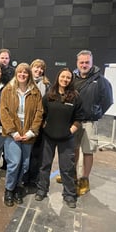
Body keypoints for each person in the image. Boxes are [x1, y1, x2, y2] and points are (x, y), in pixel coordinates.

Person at [35, 68, 83, 208]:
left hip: (67, 139)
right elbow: (42, 114)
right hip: (48, 137)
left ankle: (69, 194)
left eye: (68, 77)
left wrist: (70, 131)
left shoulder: (75, 97)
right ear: (58, 78)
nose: (65, 79)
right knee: (44, 166)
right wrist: (45, 127)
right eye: (63, 77)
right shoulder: (49, 95)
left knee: (67, 168)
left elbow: (79, 119)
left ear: (71, 80)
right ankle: (42, 189)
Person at [0, 63, 43, 207]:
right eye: (20, 72)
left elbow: (39, 112)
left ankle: (18, 187)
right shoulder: (8, 90)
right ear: (16, 74)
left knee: (24, 164)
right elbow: (4, 112)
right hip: (13, 133)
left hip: (28, 134)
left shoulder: (35, 91)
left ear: (29, 74)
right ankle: (9, 189)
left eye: (25, 72)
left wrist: (31, 132)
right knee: (14, 163)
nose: (22, 75)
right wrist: (13, 131)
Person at [73, 50, 113, 195]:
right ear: (77, 63)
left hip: (89, 122)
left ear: (91, 62)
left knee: (88, 151)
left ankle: (84, 179)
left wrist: (97, 113)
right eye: (81, 62)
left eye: (87, 62)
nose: (84, 65)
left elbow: (108, 100)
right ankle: (72, 176)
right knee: (74, 149)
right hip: (74, 122)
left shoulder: (101, 80)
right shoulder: (71, 77)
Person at [23, 59, 51, 188]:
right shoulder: (23, 82)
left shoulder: (47, 85)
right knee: (24, 152)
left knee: (36, 153)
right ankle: (23, 176)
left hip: (38, 124)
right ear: (31, 67)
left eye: (41, 69)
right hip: (24, 123)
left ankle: (33, 178)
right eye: (36, 67)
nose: (39, 70)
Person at [0, 48, 15, 170]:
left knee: (8, 139)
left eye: (6, 58)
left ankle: (6, 163)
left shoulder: (13, 72)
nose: (4, 60)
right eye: (2, 57)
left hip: (9, 109)